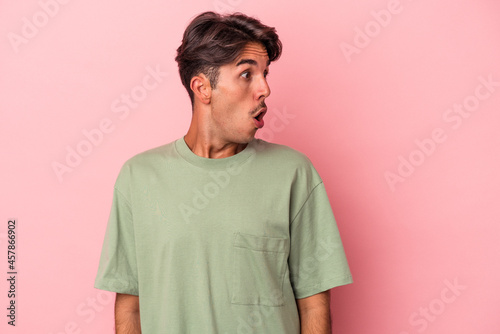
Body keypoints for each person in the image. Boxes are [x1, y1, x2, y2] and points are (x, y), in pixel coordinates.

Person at [94, 11, 352, 334]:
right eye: (247, 75)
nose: (265, 89)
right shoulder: (138, 178)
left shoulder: (295, 174)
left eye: (265, 74)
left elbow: (314, 303)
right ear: (202, 88)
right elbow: (130, 305)